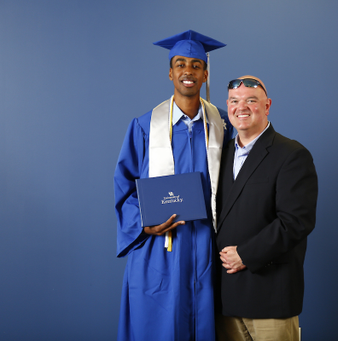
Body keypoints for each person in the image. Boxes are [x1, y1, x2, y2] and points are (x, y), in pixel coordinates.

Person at [114, 30, 234, 341]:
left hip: (208, 246)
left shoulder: (223, 125)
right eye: (180, 64)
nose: (188, 71)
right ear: (170, 73)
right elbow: (124, 187)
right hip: (161, 249)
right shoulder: (144, 127)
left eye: (196, 65)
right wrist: (144, 224)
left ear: (205, 73)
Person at [215, 76, 318, 341]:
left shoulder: (291, 154)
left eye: (252, 100)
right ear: (228, 106)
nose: (242, 107)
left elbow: (295, 222)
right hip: (225, 297)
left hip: (270, 295)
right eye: (235, 102)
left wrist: (246, 254)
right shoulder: (219, 155)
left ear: (267, 105)